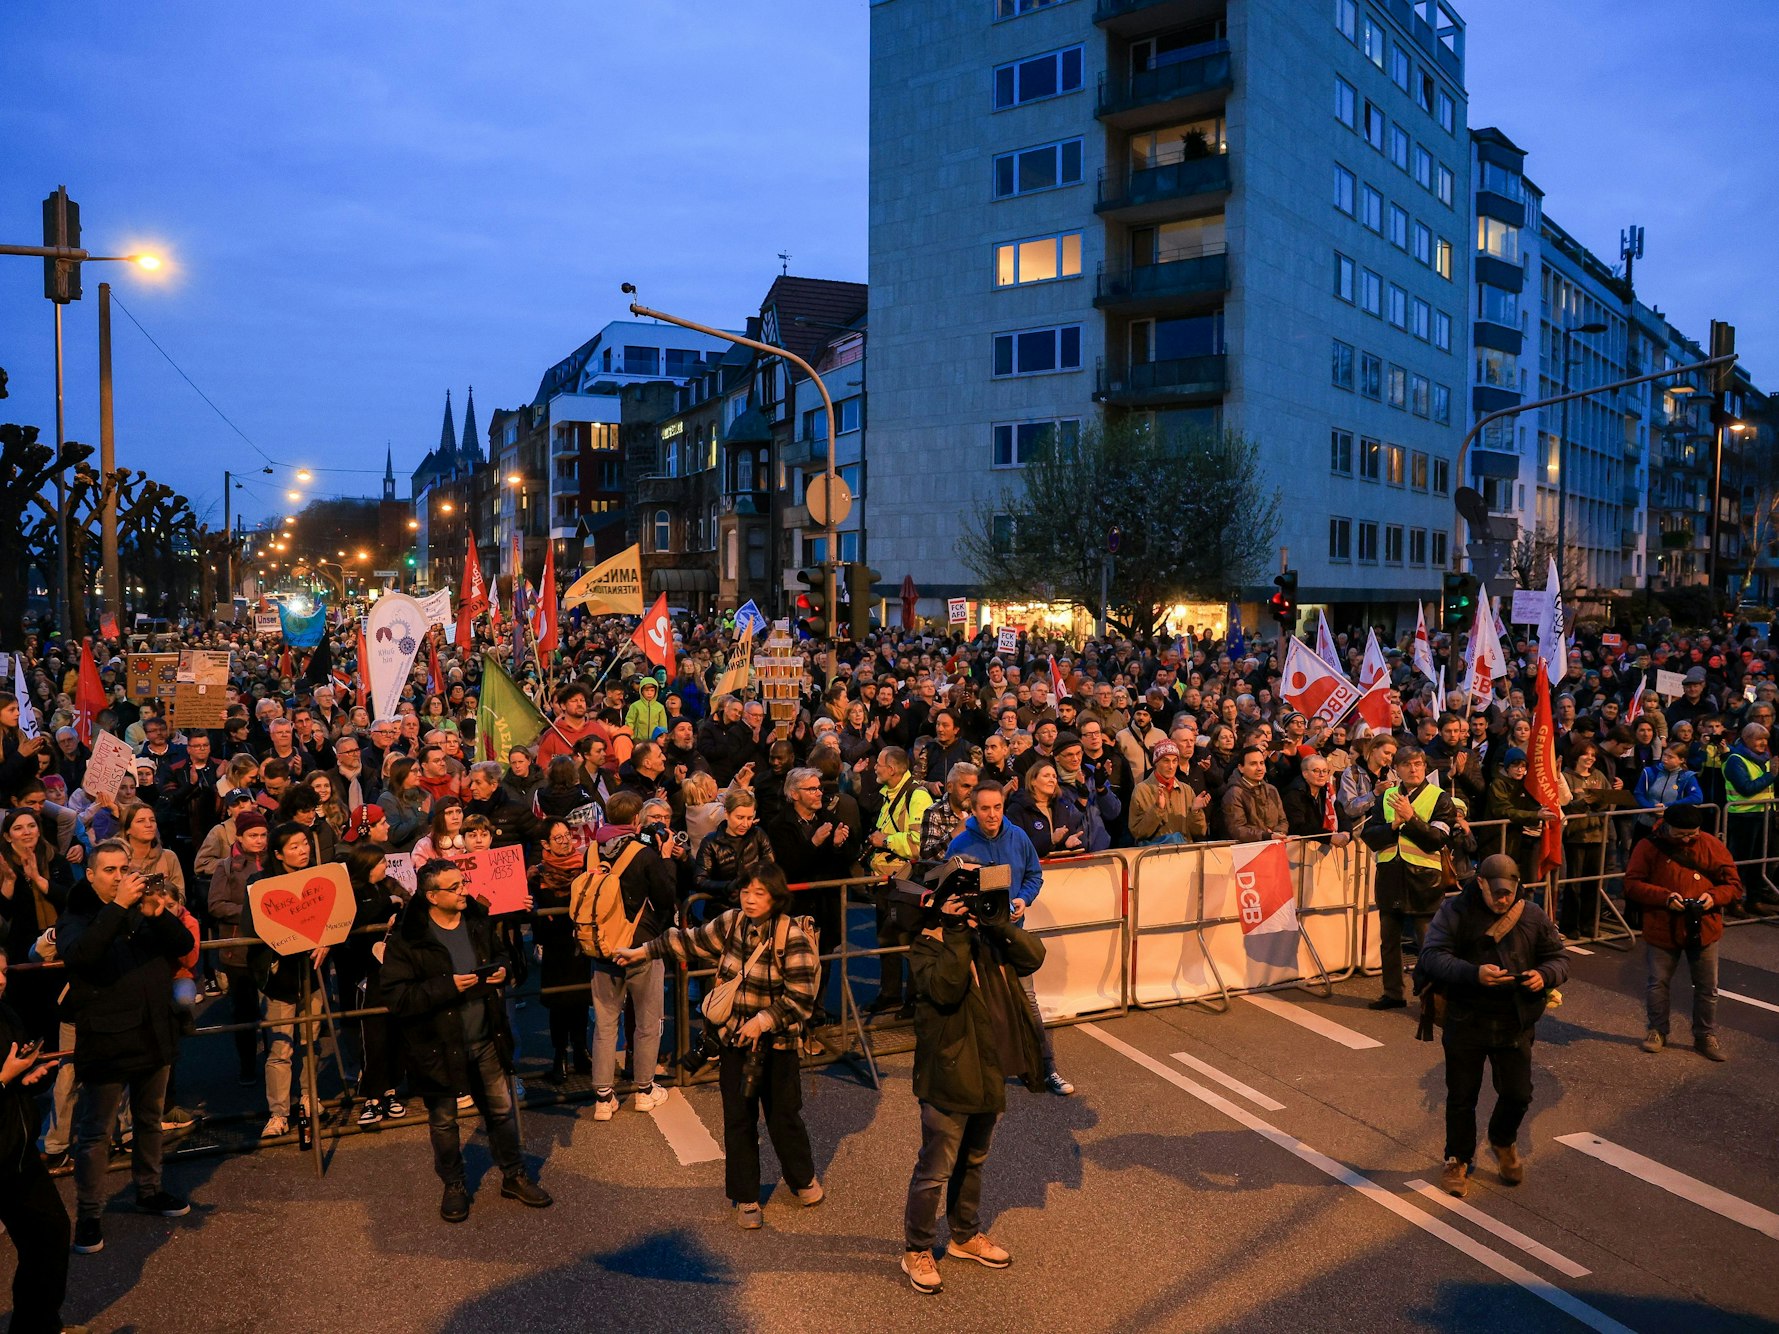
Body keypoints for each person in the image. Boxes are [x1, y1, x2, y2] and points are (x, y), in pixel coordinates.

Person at [615, 865, 822, 1229]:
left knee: (784, 1117)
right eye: (746, 891)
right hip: (734, 1043)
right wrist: (642, 952)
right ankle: (746, 1198)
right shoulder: (731, 922)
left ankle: (802, 1179)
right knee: (738, 1121)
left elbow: (802, 997)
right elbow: (688, 940)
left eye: (759, 893)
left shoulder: (791, 936)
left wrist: (765, 1020)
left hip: (778, 1046)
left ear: (776, 896)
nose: (751, 899)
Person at [899, 860, 1047, 1295]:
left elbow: (1033, 956)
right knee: (935, 1168)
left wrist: (997, 922)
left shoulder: (985, 934)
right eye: (958, 904)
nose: (966, 909)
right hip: (947, 1072)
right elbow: (945, 990)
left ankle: (963, 1236)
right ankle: (917, 1250)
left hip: (988, 1068)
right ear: (941, 907)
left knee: (974, 1160)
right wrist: (957, 933)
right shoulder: (927, 946)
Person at [381, 860, 551, 1221]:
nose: (464, 891)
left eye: (463, 883)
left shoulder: (476, 918)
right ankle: (454, 1184)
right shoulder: (409, 936)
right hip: (437, 1045)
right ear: (432, 896)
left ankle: (513, 1174)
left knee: (502, 1110)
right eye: (455, 887)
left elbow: (503, 955)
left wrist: (503, 969)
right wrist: (446, 987)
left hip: (486, 1035)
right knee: (444, 1120)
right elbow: (397, 997)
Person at [58, 839, 193, 1256]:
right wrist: (118, 906)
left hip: (153, 1030)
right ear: (92, 874)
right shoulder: (78, 911)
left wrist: (160, 914)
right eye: (111, 870)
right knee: (95, 1132)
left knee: (150, 1118)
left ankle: (149, 1190)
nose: (121, 877)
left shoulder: (142, 907)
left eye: (124, 869)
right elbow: (82, 956)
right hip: (108, 1037)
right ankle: (89, 1214)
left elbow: (184, 948)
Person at [1415, 852, 1568, 1199]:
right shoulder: (1454, 911)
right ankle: (1457, 1160)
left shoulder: (1532, 915)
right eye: (1495, 892)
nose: (1502, 899)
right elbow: (1432, 955)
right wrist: (1474, 974)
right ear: (1480, 883)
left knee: (1518, 1094)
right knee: (1461, 1097)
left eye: (1508, 893)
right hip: (1465, 1017)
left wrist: (1543, 976)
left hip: (1514, 1020)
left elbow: (1559, 957)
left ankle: (1502, 1141)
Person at [946, 782, 1071, 1096]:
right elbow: (944, 892)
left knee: (1028, 1005)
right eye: (985, 808)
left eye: (997, 807)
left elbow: (1034, 874)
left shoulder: (1018, 836)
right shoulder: (959, 845)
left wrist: (1023, 900)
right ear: (973, 810)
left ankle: (1047, 1070)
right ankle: (984, 1078)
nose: (992, 815)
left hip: (1012, 936)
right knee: (981, 1011)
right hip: (975, 941)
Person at [588, 792, 681, 1121]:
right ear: (636, 821)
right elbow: (666, 894)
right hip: (640, 945)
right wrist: (666, 856)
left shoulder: (593, 850)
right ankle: (643, 1090)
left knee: (605, 1025)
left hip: (600, 947)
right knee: (646, 1022)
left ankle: (603, 1098)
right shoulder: (644, 854)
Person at [1623, 803, 1739, 1061]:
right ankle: (1657, 1030)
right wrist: (1664, 897)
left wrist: (1713, 897)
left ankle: (1705, 1035)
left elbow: (1733, 884)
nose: (1687, 839)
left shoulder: (1710, 844)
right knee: (1658, 983)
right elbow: (1632, 884)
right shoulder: (1648, 846)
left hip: (1704, 927)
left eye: (1692, 833)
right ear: (1667, 826)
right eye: (1681, 834)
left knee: (1708, 987)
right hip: (1662, 925)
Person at [0, 952, 75, 1333]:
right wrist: (3, 1078)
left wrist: (23, 1077)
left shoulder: (6, 1013)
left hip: (18, 1150)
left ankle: (37, 1325)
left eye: (1, 970)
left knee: (51, 1232)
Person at [1361, 746, 1459, 1011]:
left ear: (1425, 767)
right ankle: (1392, 993)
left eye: (1418, 764)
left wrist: (1410, 818)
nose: (1413, 769)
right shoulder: (1387, 796)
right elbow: (1369, 836)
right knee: (1389, 944)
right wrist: (1393, 826)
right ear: (1398, 769)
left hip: (1424, 882)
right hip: (1390, 879)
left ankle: (1433, 999)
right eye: (1407, 765)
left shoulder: (1440, 799)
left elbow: (1437, 840)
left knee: (1428, 945)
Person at [530, 818, 592, 1083]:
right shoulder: (538, 874)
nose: (566, 841)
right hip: (555, 944)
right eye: (558, 838)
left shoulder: (584, 866)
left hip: (580, 942)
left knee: (580, 1001)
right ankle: (559, 1057)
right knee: (558, 1004)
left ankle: (580, 1050)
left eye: (568, 835)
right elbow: (534, 913)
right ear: (545, 843)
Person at [1127, 739, 1209, 844]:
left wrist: (1195, 812)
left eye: (1174, 761)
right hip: (1155, 856)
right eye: (1166, 761)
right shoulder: (1142, 790)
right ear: (1156, 763)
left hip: (1184, 855)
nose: (1171, 766)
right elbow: (1138, 832)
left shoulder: (1187, 790)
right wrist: (1157, 809)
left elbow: (1199, 832)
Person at [1221, 745, 1288, 843]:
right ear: (1241, 768)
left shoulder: (1272, 790)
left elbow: (1283, 821)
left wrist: (1278, 834)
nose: (1259, 768)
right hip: (1248, 852)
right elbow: (1237, 829)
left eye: (1262, 763)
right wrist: (1266, 836)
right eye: (1253, 764)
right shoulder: (1234, 793)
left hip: (1274, 847)